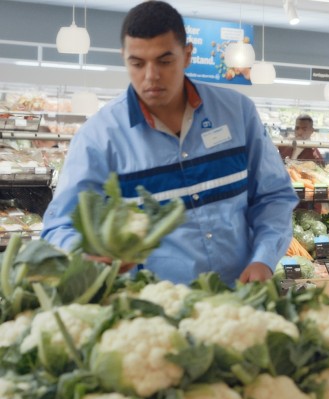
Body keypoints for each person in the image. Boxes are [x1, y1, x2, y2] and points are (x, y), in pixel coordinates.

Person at [41, 1, 299, 285]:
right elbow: (60, 225)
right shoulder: (98, 139)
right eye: (137, 63)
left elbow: (273, 196)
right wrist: (85, 256)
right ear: (124, 58)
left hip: (241, 302)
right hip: (153, 314)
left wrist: (264, 258)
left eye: (165, 61)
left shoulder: (238, 113)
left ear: (187, 55)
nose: (151, 76)